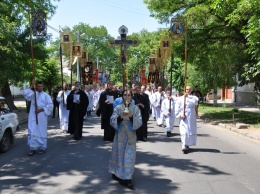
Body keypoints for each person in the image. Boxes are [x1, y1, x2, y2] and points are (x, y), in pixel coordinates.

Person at [109, 89, 142, 190]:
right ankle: (117, 173)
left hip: (131, 136)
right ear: (122, 96)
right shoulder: (118, 107)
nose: (127, 97)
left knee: (129, 156)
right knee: (119, 154)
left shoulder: (135, 108)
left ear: (131, 96)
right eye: (125, 95)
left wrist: (132, 117)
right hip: (120, 135)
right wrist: (120, 117)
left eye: (129, 95)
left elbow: (140, 121)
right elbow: (112, 120)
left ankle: (127, 178)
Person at [24, 80, 53, 156]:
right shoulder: (34, 94)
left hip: (42, 115)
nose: (40, 87)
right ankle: (32, 148)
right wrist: (31, 86)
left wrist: (41, 109)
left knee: (41, 130)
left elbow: (50, 106)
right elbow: (26, 95)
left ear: (43, 86)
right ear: (36, 86)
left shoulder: (46, 95)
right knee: (32, 129)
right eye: (38, 86)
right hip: (33, 114)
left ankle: (42, 147)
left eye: (41, 86)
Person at [175, 86, 199, 154]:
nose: (188, 90)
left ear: (191, 90)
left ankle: (187, 144)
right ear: (185, 90)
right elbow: (177, 108)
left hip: (191, 118)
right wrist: (181, 115)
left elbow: (196, 107)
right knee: (184, 132)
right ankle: (183, 146)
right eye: (187, 89)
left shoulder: (194, 98)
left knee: (189, 131)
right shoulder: (181, 99)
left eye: (189, 89)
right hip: (184, 118)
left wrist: (197, 114)